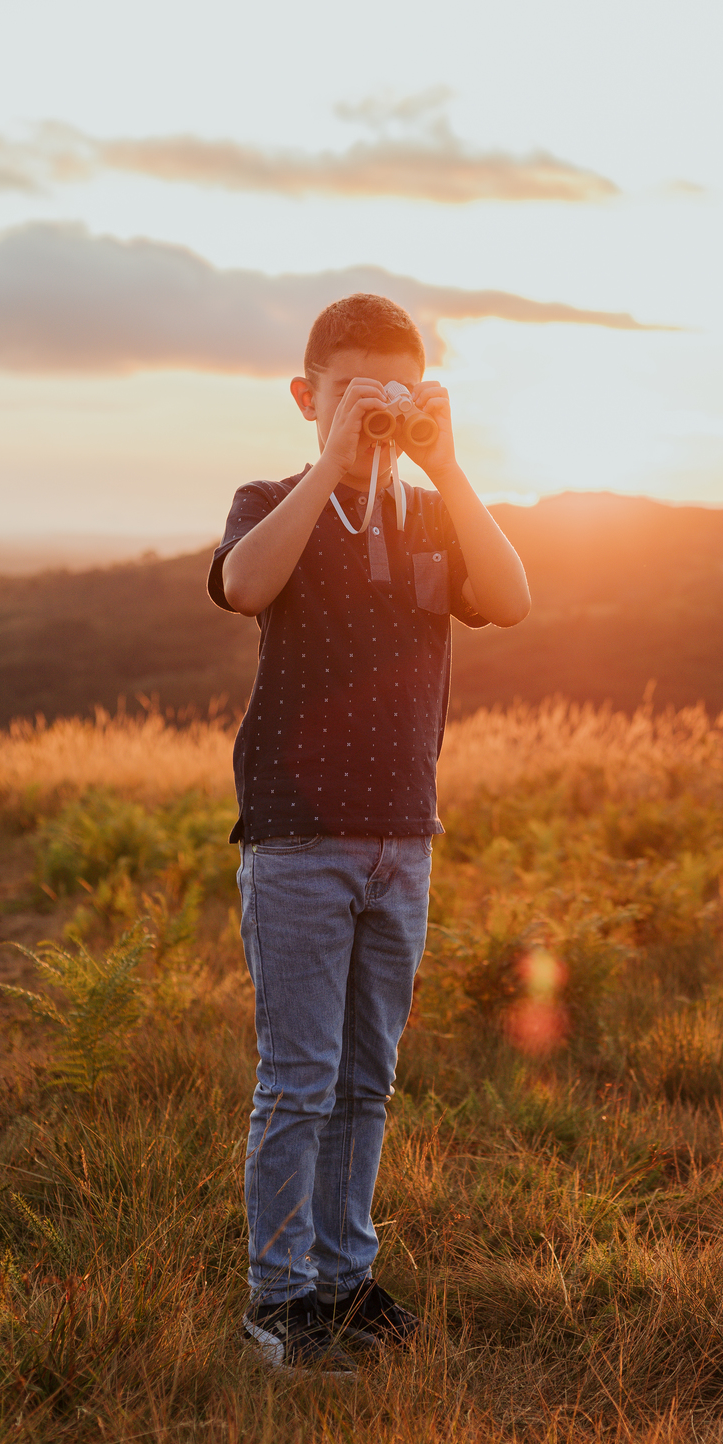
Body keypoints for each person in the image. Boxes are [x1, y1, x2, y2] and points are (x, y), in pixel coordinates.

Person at [208, 292, 530, 1372]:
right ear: (307, 397)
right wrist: (330, 463)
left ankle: (344, 1278)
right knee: (298, 1078)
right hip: (298, 838)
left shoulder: (429, 511)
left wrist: (451, 466)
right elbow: (245, 583)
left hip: (405, 832)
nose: (370, 412)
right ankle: (278, 1295)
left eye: (391, 393)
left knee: (367, 1080)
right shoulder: (270, 498)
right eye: (350, 393)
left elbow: (513, 598)